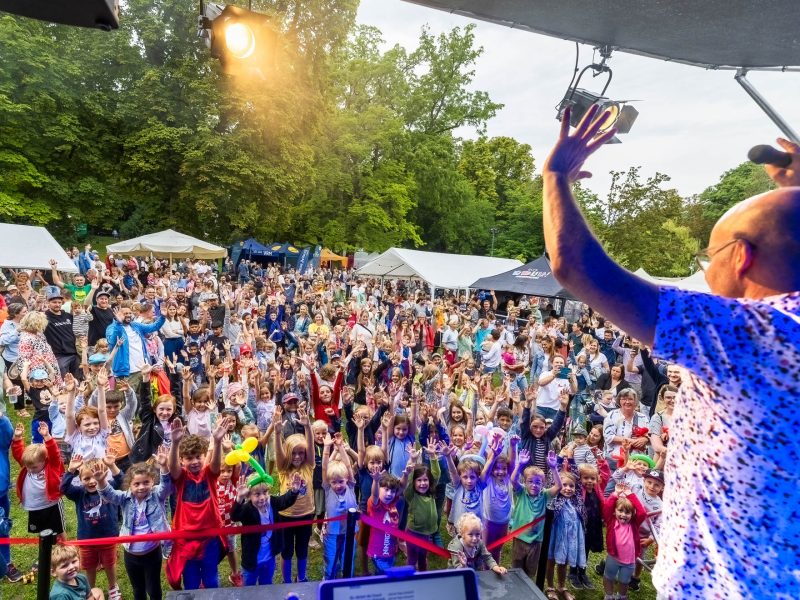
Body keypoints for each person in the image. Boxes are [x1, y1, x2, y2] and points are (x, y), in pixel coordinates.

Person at [542, 104, 800, 598]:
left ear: (741, 256)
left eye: (710, 254)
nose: (705, 272)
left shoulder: (750, 336)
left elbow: (576, 266)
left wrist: (556, 175)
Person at [98, 451, 172, 600]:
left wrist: (164, 466)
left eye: (146, 482)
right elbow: (110, 495)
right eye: (136, 484)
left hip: (152, 553)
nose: (141, 487)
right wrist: (101, 481)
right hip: (131, 555)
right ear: (130, 486)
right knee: (138, 590)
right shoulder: (126, 498)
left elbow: (166, 486)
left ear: (152, 482)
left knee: (154, 589)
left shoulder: (157, 495)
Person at [60, 453, 123, 599]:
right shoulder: (79, 494)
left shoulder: (109, 488)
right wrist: (70, 471)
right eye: (86, 478)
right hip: (86, 539)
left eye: (95, 476)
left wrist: (112, 466)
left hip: (108, 537)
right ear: (80, 480)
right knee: (89, 567)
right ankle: (90, 590)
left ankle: (113, 586)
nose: (92, 481)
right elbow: (63, 488)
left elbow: (122, 480)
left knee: (110, 563)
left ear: (104, 475)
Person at [231, 470, 303, 585]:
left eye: (265, 492)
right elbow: (234, 516)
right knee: (249, 588)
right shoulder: (248, 509)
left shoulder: (271, 502)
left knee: (267, 584)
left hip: (269, 558)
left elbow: (285, 501)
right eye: (257, 494)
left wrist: (294, 491)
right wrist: (239, 498)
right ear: (249, 496)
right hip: (252, 561)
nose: (262, 497)